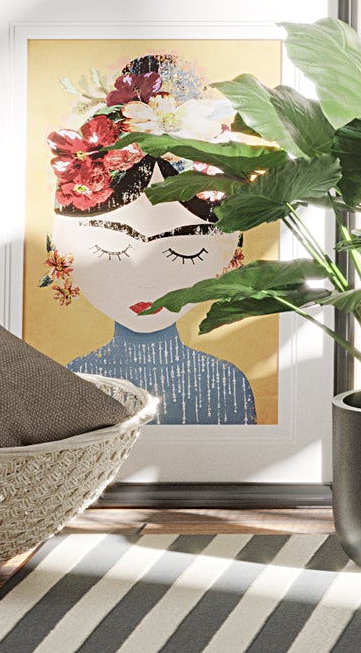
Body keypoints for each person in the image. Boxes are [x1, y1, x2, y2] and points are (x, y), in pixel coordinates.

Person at [41, 52, 259, 425]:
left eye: (186, 251)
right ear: (58, 248)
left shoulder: (228, 385)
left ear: (231, 255)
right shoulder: (70, 384)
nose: (146, 279)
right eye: (109, 247)